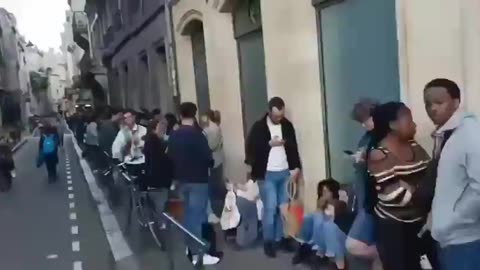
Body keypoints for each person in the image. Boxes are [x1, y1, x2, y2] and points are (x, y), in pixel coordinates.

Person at [366, 102, 433, 270]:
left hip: (420, 225)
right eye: (409, 120)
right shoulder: (378, 155)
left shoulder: (415, 147)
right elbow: (396, 197)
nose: (414, 124)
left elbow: (433, 177)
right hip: (394, 230)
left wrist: (410, 186)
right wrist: (421, 189)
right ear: (392, 125)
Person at [424, 78, 480, 270]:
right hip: (446, 239)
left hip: (465, 240)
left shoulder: (470, 135)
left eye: (439, 103)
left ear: (456, 102)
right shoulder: (446, 136)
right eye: (428, 104)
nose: (432, 109)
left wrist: (454, 220)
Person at [245, 97, 302, 258]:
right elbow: (251, 149)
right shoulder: (259, 127)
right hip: (267, 173)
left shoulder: (287, 125)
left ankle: (281, 238)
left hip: (284, 172)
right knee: (270, 208)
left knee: (284, 207)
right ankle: (268, 242)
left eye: (281, 115)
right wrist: (268, 144)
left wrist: (296, 167)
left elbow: (293, 148)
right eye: (276, 116)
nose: (279, 118)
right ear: (269, 112)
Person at [168, 102, 220, 265]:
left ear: (180, 115)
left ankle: (189, 248)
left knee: (187, 216)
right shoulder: (198, 135)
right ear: (194, 113)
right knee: (197, 216)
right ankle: (199, 254)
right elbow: (207, 157)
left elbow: (170, 156)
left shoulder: (174, 135)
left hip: (181, 180)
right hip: (198, 180)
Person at [346, 99, 383, 270]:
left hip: (373, 200)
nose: (363, 125)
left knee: (354, 245)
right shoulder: (367, 137)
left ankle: (385, 252)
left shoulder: (383, 137)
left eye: (364, 120)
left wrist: (365, 159)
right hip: (364, 197)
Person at [292, 179, 350, 270]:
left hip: (338, 236)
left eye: (326, 191)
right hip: (322, 236)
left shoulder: (338, 204)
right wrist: (319, 208)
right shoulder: (323, 203)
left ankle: (322, 253)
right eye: (322, 191)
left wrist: (320, 209)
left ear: (333, 192)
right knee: (307, 218)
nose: (324, 194)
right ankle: (304, 245)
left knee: (324, 223)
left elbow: (330, 219)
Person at [143, 119, 173, 222]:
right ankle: (160, 224)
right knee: (161, 203)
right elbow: (158, 161)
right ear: (154, 128)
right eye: (161, 127)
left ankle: (157, 222)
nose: (163, 130)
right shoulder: (154, 142)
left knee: (157, 202)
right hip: (158, 179)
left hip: (154, 178)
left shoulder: (152, 140)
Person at [202, 110, 225, 219]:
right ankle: (220, 208)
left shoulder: (208, 130)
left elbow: (207, 146)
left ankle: (214, 211)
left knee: (211, 187)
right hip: (219, 159)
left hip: (211, 160)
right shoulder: (217, 128)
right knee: (218, 183)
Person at [111, 109, 147, 174]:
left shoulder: (143, 130)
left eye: (129, 117)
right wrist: (124, 148)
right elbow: (115, 149)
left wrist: (141, 147)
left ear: (134, 117)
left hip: (142, 161)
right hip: (128, 163)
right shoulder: (122, 132)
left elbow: (148, 146)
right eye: (125, 118)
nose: (126, 120)